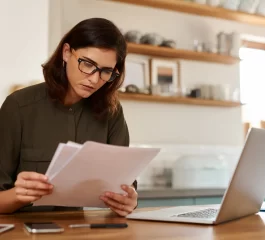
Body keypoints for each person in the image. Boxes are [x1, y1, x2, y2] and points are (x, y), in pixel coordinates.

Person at [0, 18, 138, 216]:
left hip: (80, 231)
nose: (94, 79)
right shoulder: (18, 107)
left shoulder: (112, 112)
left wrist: (129, 199)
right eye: (88, 64)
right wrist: (20, 195)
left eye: (106, 71)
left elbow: (124, 184)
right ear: (66, 53)